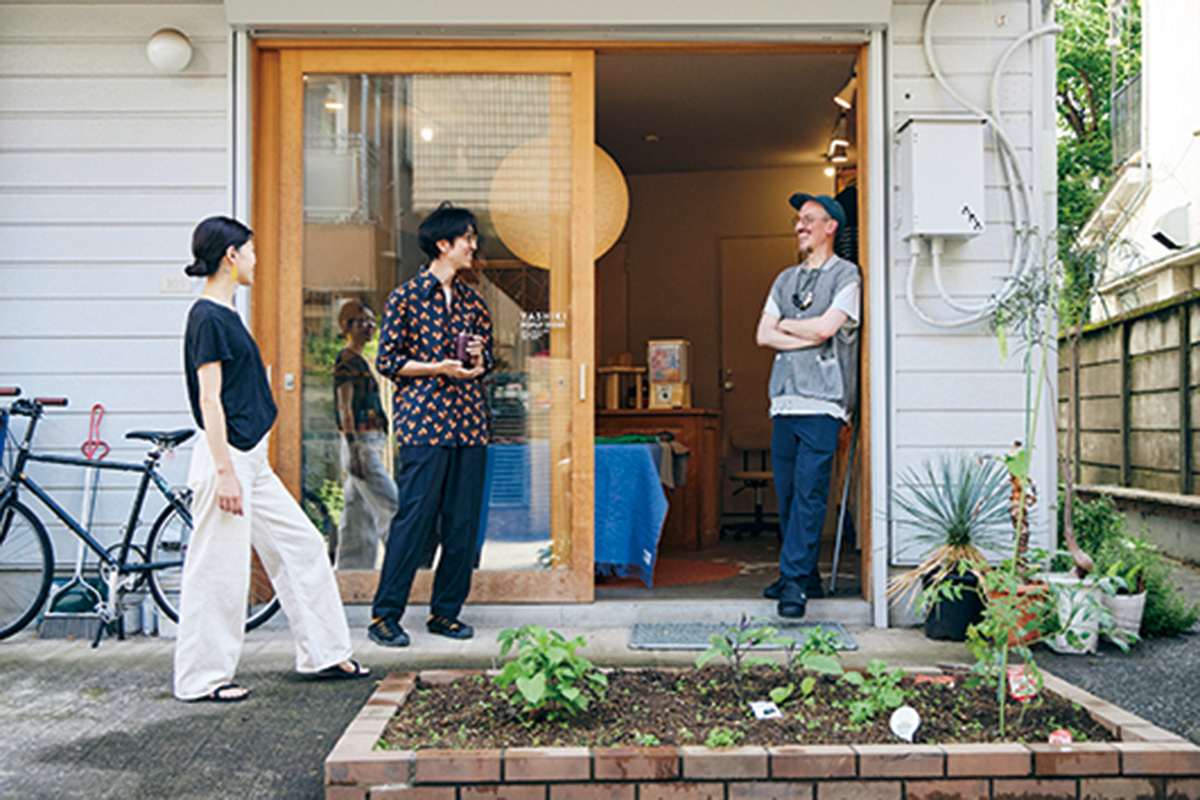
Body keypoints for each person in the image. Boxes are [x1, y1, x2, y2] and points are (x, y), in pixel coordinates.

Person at [175, 216, 369, 703]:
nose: (257, 260)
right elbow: (210, 401)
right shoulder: (207, 318)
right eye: (251, 251)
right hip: (229, 459)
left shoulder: (226, 314)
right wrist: (224, 473)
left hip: (250, 461)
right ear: (230, 256)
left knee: (301, 545)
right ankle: (201, 679)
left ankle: (324, 652)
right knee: (218, 571)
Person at [368, 202, 493, 648]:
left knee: (462, 523)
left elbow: (487, 360)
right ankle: (385, 615)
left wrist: (476, 363)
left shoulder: (473, 303)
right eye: (468, 238)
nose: (474, 246)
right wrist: (438, 367)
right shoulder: (404, 299)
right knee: (415, 518)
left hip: (470, 424)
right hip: (423, 424)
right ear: (444, 244)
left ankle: (445, 613)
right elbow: (388, 361)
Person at [755, 193, 861, 619]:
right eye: (798, 220)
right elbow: (763, 335)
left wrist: (788, 326)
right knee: (790, 493)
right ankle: (805, 573)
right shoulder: (785, 280)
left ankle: (795, 583)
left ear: (830, 226)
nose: (800, 226)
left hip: (824, 402)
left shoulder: (846, 276)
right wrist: (798, 331)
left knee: (812, 491)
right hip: (784, 399)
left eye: (808, 220)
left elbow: (825, 330)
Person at [333, 299, 398, 570]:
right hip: (360, 444)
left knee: (358, 513)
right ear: (346, 326)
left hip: (367, 444)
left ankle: (351, 574)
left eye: (372, 321)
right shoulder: (347, 361)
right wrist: (356, 449)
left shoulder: (357, 359)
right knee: (391, 506)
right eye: (363, 321)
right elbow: (345, 407)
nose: (370, 327)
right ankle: (407, 568)